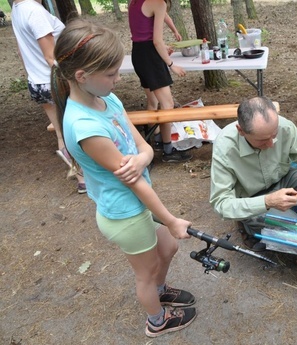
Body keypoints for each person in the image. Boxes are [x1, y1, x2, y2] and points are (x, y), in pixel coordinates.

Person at [51, 19, 196, 338]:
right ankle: (156, 320)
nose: (118, 79)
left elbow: (143, 145)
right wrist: (170, 219)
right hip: (125, 214)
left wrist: (144, 156)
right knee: (144, 273)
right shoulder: (85, 127)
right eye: (112, 74)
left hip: (136, 203)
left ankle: (159, 288)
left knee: (168, 247)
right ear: (82, 76)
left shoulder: (107, 100)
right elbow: (134, 181)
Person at [209, 96, 297, 251]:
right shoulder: (225, 147)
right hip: (251, 199)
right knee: (287, 225)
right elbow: (221, 204)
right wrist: (267, 202)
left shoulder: (282, 125)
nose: (271, 144)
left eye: (274, 135)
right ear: (241, 131)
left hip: (281, 180)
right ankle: (251, 230)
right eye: (262, 140)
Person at [11, 0, 86, 193]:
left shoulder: (18, 8)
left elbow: (22, 50)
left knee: (62, 131)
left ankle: (80, 177)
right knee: (75, 129)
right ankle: (86, 176)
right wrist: (76, 78)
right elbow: (51, 57)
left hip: (37, 82)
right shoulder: (34, 12)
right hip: (53, 82)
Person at [128, 0, 192, 163]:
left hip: (138, 53)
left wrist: (163, 50)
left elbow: (143, 35)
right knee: (167, 105)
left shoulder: (134, 2)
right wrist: (171, 64)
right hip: (150, 55)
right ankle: (168, 150)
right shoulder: (158, 2)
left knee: (153, 101)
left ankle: (155, 138)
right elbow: (156, 41)